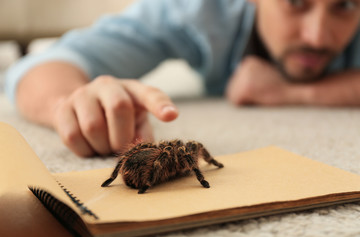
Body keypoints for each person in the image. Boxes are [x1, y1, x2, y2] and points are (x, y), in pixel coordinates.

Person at [5, 0, 360, 157]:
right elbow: (48, 63)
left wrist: (287, 93)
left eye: (344, 5)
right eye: (295, 1)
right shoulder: (192, 10)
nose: (317, 36)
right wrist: (68, 104)